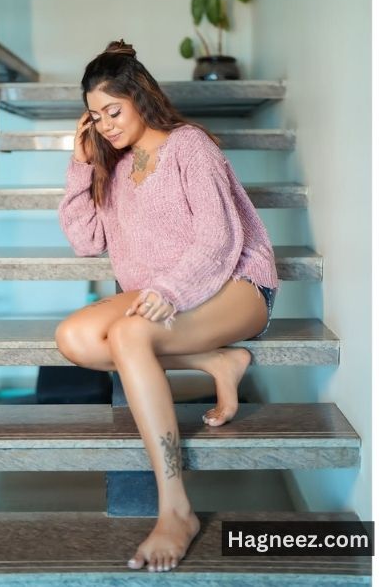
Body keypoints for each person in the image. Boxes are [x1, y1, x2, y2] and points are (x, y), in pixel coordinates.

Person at [56, 39, 279, 573]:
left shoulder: (189, 146)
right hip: (162, 294)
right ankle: (217, 360)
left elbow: (219, 239)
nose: (106, 125)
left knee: (129, 335)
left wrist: (171, 291)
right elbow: (86, 241)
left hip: (236, 283)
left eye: (114, 111)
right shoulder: (113, 166)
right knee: (74, 339)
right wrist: (80, 165)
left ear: (140, 97)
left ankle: (176, 507)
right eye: (95, 117)